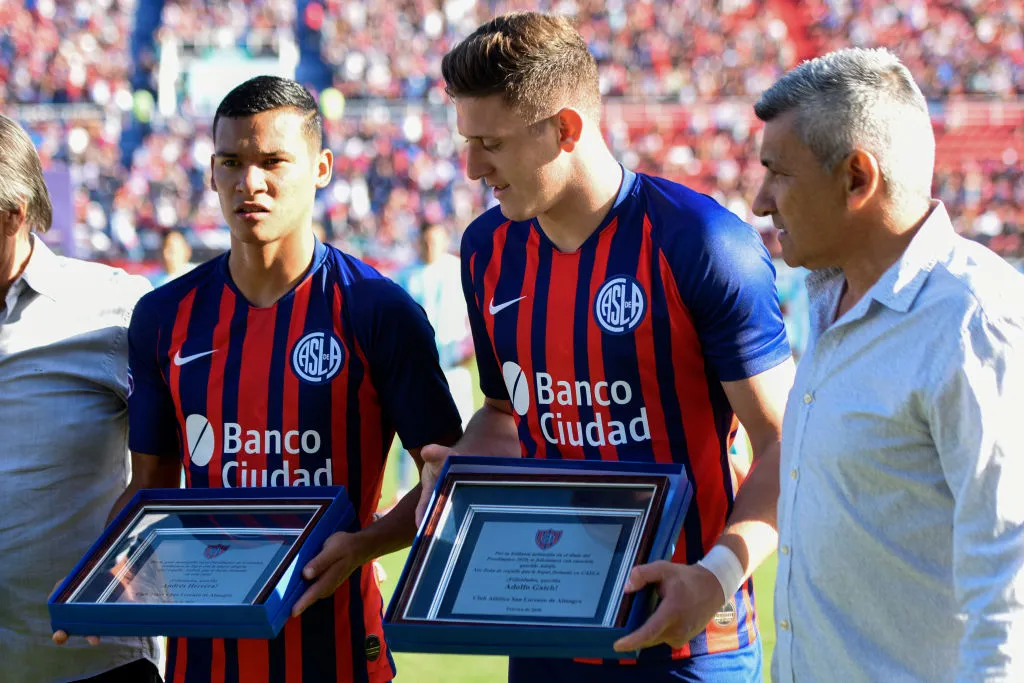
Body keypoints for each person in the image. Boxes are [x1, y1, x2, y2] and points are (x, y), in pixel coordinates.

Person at [418, 12, 795, 682]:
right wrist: (458, 473)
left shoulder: (702, 244)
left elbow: (788, 446)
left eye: (490, 143)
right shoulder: (486, 252)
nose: (473, 167)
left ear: (564, 128)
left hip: (689, 637)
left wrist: (717, 575)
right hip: (545, 625)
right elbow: (507, 415)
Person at [55, 76, 464, 683]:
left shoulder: (379, 310)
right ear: (211, 172)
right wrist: (106, 573)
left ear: (322, 167)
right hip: (204, 656)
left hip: (340, 652)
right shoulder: (165, 317)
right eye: (231, 163)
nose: (251, 183)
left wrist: (364, 546)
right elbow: (151, 487)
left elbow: (447, 480)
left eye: (274, 161)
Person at [751, 48, 1024, 682]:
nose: (762, 200)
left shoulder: (971, 319)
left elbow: (1009, 569)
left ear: (856, 179)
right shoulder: (829, 295)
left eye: (777, 173)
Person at [0, 114, 162, 681]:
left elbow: (205, 440)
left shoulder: (112, 308)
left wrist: (286, 542)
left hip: (91, 663)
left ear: (15, 214)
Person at [394, 220, 475, 494]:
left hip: (453, 367)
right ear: (419, 241)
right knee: (414, 438)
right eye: (426, 240)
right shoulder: (404, 275)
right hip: (420, 372)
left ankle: (463, 492)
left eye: (436, 240)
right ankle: (409, 497)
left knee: (463, 435)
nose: (431, 246)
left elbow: (476, 314)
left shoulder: (458, 270)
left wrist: (470, 346)